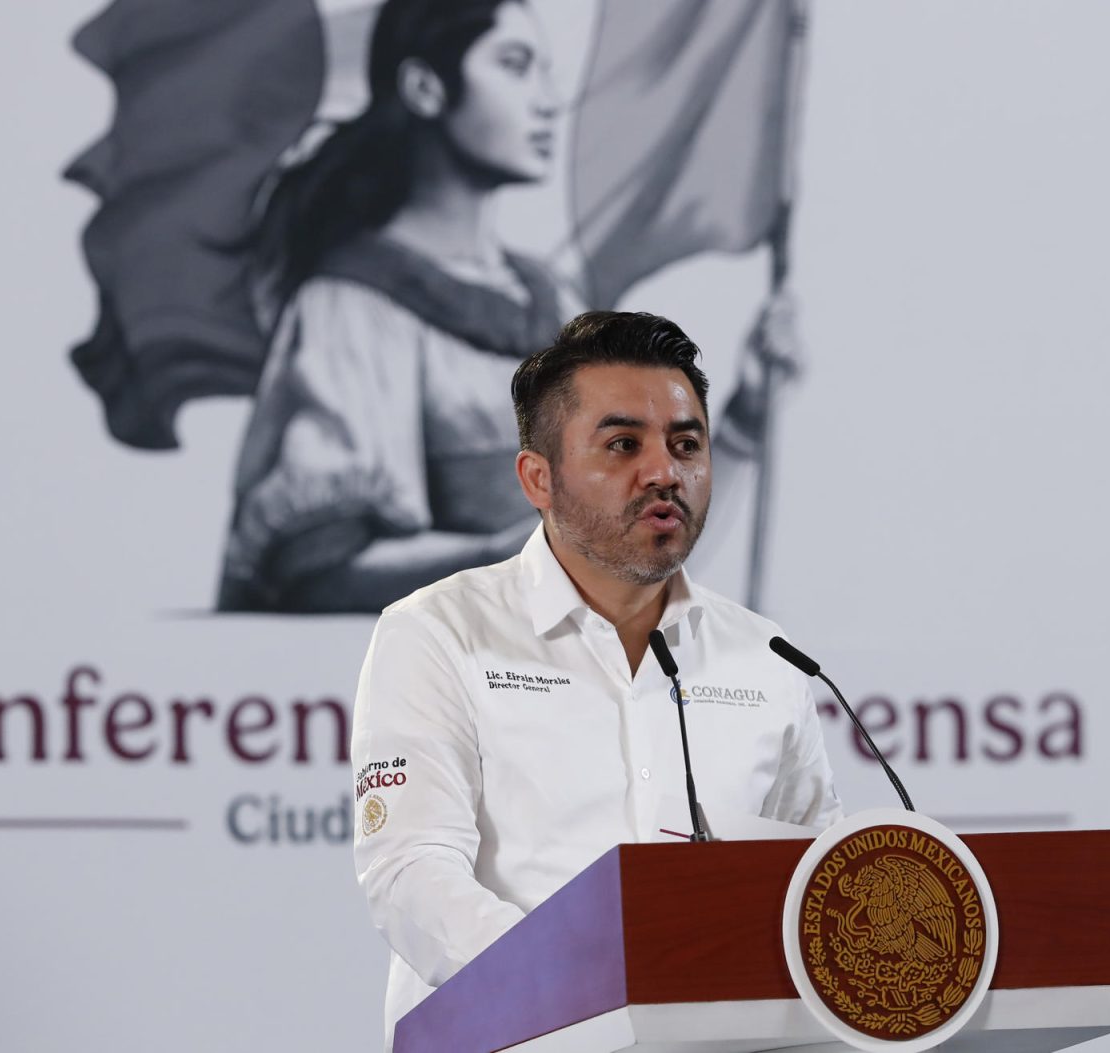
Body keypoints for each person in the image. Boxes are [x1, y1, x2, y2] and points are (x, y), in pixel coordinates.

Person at [351, 311, 842, 1047]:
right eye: (623, 445)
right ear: (537, 478)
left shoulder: (767, 657)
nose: (664, 472)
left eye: (686, 444)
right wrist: (587, 996)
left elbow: (816, 890)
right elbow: (413, 876)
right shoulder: (439, 633)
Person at [216, 0, 797, 613]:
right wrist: (537, 560)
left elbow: (639, 571)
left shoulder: (556, 302)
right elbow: (321, 574)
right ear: (425, 87)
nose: (547, 101)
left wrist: (741, 422)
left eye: (544, 72)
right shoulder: (352, 308)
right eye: (515, 65)